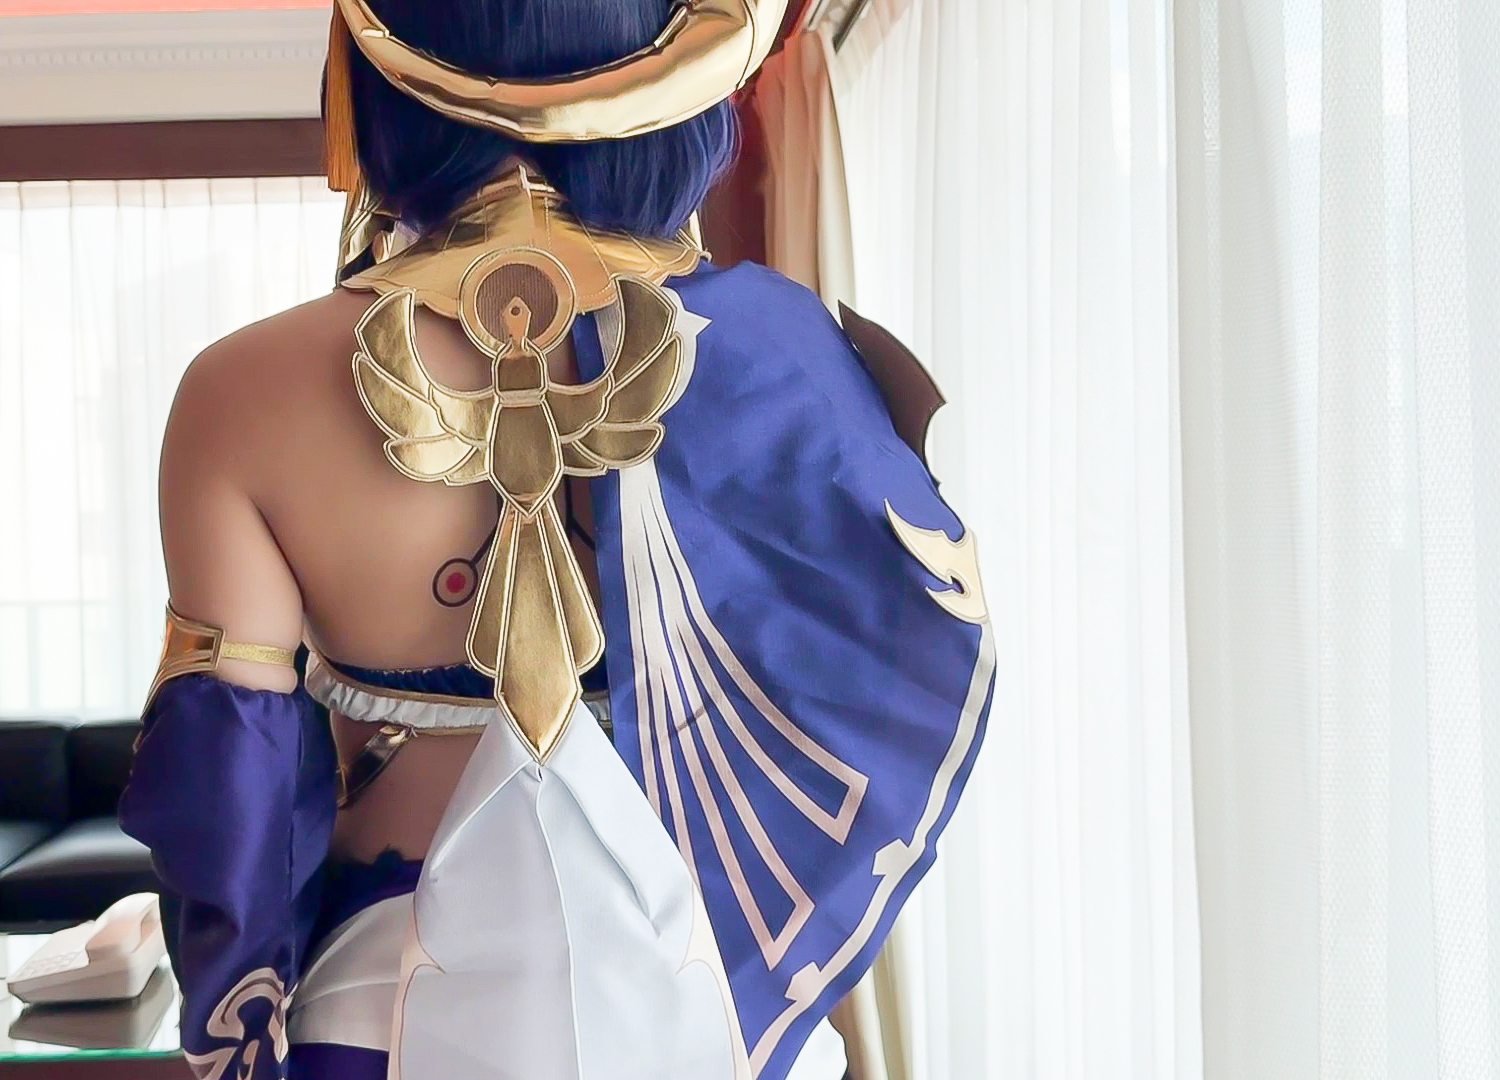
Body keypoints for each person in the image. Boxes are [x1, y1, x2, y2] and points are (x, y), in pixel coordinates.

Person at [117, 1, 997, 1077]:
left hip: (388, 1009)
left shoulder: (242, 389)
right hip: (715, 1004)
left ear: (382, 73)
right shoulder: (793, 354)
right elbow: (890, 674)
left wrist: (239, 1045)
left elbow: (228, 788)